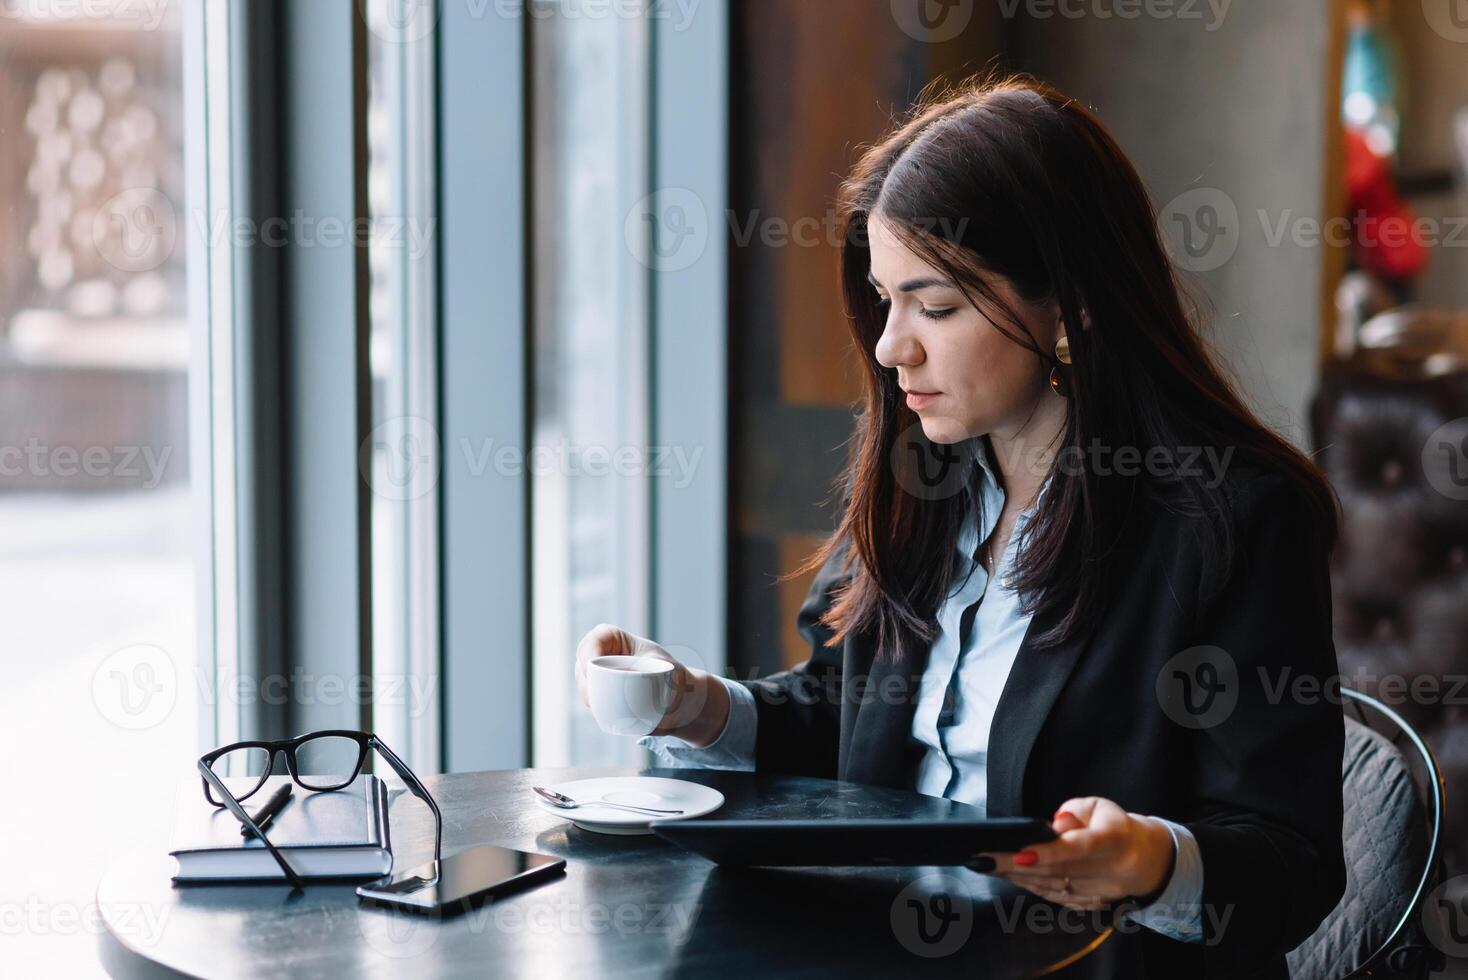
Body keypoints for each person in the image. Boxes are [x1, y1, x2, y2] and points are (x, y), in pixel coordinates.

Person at [575, 73, 1345, 978]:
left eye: (935, 307)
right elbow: (849, 721)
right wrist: (697, 705)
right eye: (884, 298)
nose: (891, 344)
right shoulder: (924, 475)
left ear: (1073, 302)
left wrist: (1150, 861)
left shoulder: (1228, 518)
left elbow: (1292, 863)